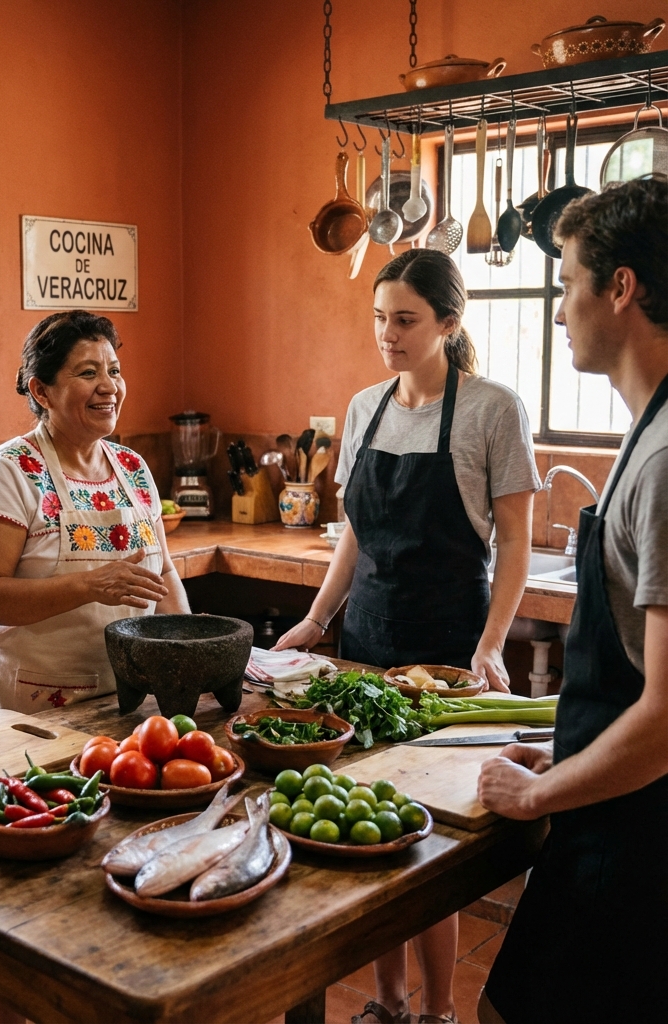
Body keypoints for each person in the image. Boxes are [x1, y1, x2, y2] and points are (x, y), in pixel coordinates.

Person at [274, 249, 539, 1024]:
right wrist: (318, 620)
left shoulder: (493, 408)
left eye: (405, 320)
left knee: (427, 851)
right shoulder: (365, 406)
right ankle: (388, 1006)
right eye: (379, 319)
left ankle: (439, 1012)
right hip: (364, 642)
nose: (387, 335)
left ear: (449, 323)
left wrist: (490, 647)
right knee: (368, 834)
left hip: (447, 653)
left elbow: (516, 543)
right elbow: (356, 530)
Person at [477, 178, 667, 1024]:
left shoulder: (664, 463)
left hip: (632, 842)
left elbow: (665, 717)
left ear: (619, 288)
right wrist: (565, 754)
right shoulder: (648, 432)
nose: (558, 311)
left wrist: (537, 798)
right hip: (609, 805)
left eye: (565, 280)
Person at [0, 310, 190, 716]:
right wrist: (88, 585)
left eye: (114, 371)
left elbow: (163, 574)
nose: (109, 387)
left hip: (128, 698)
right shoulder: (8, 472)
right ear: (41, 391)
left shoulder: (132, 468)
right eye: (87, 373)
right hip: (32, 706)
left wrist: (189, 647)